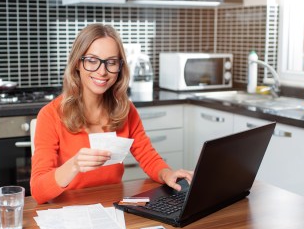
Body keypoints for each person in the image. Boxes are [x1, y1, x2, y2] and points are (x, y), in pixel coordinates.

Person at [30, 23, 193, 204]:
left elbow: (148, 157)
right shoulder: (50, 115)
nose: (102, 71)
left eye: (111, 62)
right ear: (77, 63)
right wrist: (74, 165)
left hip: (112, 205)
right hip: (69, 210)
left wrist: (167, 174)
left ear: (120, 67)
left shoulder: (126, 110)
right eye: (92, 60)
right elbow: (38, 191)